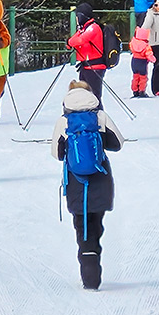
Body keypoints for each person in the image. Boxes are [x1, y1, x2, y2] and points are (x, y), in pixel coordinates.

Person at [51, 80, 124, 290]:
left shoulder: (63, 121)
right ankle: (93, 264)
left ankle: (89, 276)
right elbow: (118, 144)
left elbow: (56, 154)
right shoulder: (100, 117)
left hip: (76, 182)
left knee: (82, 228)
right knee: (96, 225)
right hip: (100, 178)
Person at [67, 3, 106, 105]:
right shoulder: (84, 28)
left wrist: (70, 43)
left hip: (95, 67)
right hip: (86, 66)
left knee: (94, 97)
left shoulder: (93, 27)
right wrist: (70, 43)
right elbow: (73, 39)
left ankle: (98, 116)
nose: (76, 19)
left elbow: (80, 40)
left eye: (77, 16)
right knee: (84, 96)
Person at [129, 27, 156, 98]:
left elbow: (131, 48)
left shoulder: (133, 42)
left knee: (135, 76)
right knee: (143, 78)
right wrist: (154, 60)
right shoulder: (146, 46)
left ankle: (135, 90)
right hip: (142, 62)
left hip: (134, 61)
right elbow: (149, 54)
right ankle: (142, 91)